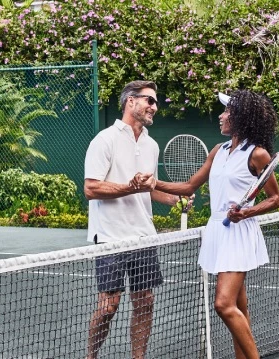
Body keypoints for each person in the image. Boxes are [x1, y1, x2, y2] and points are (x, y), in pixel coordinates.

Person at [133, 89, 279, 359]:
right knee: (239, 305)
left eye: (226, 112)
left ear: (240, 118)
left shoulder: (257, 154)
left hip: (239, 232)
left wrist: (246, 212)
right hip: (218, 229)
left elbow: (275, 199)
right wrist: (153, 183)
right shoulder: (219, 150)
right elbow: (190, 185)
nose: (221, 116)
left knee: (224, 305)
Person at [84, 80, 181, 359]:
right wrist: (129, 186)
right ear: (131, 102)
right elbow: (91, 189)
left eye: (155, 101)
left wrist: (174, 199)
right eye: (149, 100)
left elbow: (148, 190)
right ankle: (91, 356)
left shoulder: (151, 145)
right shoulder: (105, 140)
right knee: (108, 307)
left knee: (145, 302)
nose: (154, 106)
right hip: (111, 237)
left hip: (143, 237)